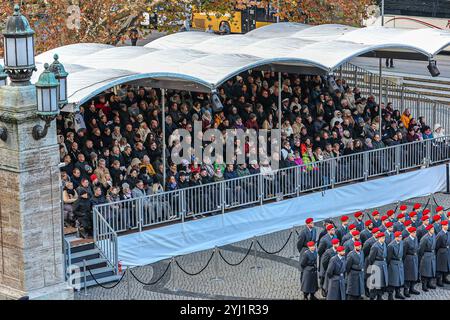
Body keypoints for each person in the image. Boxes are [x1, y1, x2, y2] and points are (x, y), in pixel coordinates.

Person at [368, 232, 388, 300]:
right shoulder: (375, 246)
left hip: (383, 264)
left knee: (382, 282)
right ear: (379, 238)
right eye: (382, 238)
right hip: (377, 264)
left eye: (384, 238)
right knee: (375, 283)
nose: (384, 239)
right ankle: (372, 297)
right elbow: (371, 258)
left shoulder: (384, 244)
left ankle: (379, 296)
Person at [402, 226, 420, 297]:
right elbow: (404, 252)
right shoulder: (406, 240)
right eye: (413, 232)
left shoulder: (415, 238)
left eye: (415, 232)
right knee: (408, 274)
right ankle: (406, 289)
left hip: (415, 258)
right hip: (408, 258)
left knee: (414, 273)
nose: (415, 233)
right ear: (410, 232)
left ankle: (412, 288)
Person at [387, 231, 405, 300]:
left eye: (401, 237)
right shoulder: (391, 245)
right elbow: (388, 258)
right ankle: (390, 295)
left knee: (399, 279)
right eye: (399, 237)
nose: (400, 238)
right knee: (393, 280)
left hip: (399, 263)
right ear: (396, 237)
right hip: (393, 264)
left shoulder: (401, 243)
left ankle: (398, 293)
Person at [419, 224, 437, 291]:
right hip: (426, 255)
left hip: (432, 255)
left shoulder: (434, 235)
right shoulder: (425, 238)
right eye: (432, 229)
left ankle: (429, 283)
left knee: (431, 270)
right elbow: (421, 249)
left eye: (433, 229)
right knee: (425, 270)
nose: (433, 230)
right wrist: (423, 256)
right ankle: (424, 285)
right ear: (429, 230)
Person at [435, 220, 450, 287]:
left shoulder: (448, 233)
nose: (447, 226)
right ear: (442, 226)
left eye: (447, 225)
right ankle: (439, 280)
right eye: (446, 225)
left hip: (447, 251)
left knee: (446, 266)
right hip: (441, 252)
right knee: (440, 266)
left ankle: (445, 278)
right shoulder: (440, 234)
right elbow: (436, 245)